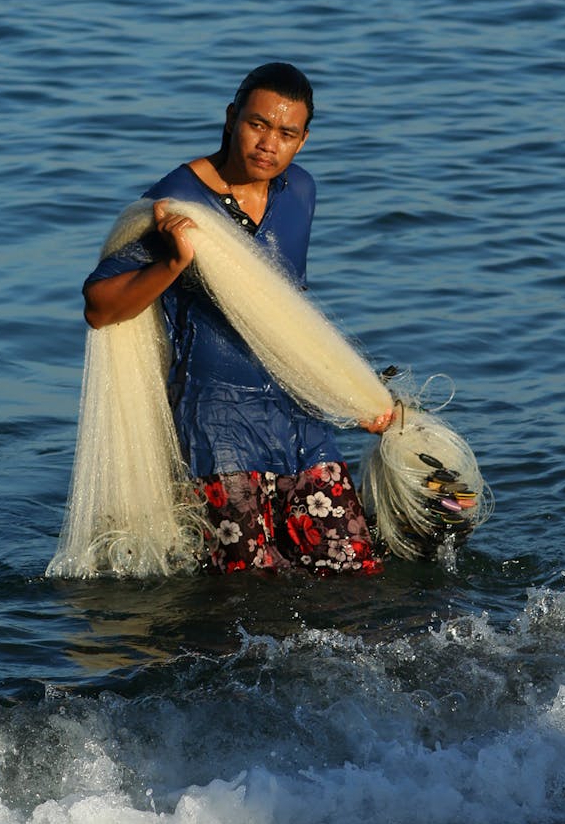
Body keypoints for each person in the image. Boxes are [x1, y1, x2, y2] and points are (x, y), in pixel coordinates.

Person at [83, 63, 392, 575]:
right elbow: (99, 307)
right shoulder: (175, 202)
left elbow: (288, 313)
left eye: (287, 133)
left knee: (354, 574)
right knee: (247, 594)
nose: (269, 143)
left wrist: (348, 394)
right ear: (231, 119)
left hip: (299, 415)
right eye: (257, 125)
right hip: (215, 424)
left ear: (303, 141)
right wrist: (173, 261)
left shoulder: (301, 193)